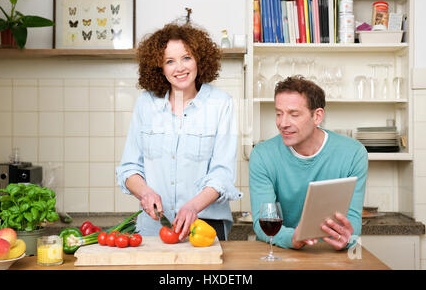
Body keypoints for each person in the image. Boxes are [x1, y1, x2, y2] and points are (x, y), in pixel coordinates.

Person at [116, 23, 242, 241]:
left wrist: (193, 206)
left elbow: (222, 173)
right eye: (169, 61)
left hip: (204, 225)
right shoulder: (146, 103)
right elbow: (129, 168)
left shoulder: (221, 103)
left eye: (186, 58)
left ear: (199, 60)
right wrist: (145, 193)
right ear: (160, 68)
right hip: (154, 228)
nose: (179, 68)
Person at [249, 76, 368, 250]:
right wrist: (293, 238)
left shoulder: (353, 153)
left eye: (293, 114)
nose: (282, 123)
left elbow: (353, 219)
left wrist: (347, 237)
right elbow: (262, 222)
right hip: (280, 251)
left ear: (317, 116)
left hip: (330, 254)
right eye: (278, 113)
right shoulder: (262, 155)